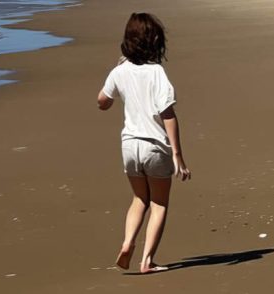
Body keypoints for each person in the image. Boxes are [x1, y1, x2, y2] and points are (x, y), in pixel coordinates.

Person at [97, 12, 191, 274]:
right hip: (154, 146)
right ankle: (147, 260)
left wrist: (115, 83)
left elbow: (102, 102)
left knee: (139, 198)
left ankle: (128, 242)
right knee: (159, 203)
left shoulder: (119, 71)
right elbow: (168, 114)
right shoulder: (156, 72)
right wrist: (178, 155)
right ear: (154, 42)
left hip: (129, 146)